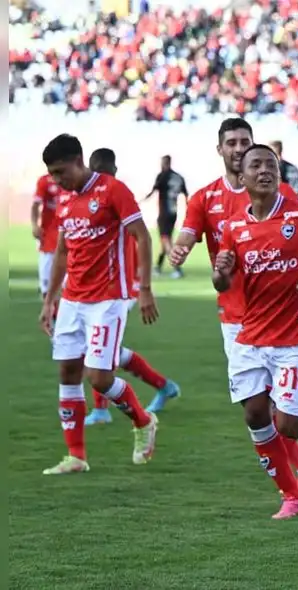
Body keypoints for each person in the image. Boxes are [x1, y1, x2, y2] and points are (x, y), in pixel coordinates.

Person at [169, 117, 298, 498]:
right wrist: (181, 247)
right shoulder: (206, 199)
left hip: (285, 318)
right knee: (258, 411)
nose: (238, 149)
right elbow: (190, 232)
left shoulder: (281, 197)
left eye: (244, 142)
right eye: (231, 142)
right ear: (220, 149)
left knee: (281, 411)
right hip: (236, 320)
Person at [212, 143, 298, 519]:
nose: (264, 171)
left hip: (294, 338)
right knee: (256, 417)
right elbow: (222, 285)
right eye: (255, 166)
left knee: (288, 425)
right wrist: (220, 273)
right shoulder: (234, 228)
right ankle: (293, 496)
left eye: (270, 165)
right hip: (249, 337)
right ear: (241, 178)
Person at [38, 134, 160, 475]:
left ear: (79, 160)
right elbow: (62, 251)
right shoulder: (65, 200)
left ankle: (143, 421)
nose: (58, 180)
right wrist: (50, 300)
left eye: (61, 172)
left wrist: (146, 289)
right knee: (67, 372)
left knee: (99, 377)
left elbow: (142, 236)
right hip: (73, 299)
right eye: (53, 175)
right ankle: (76, 456)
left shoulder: (112, 191)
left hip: (108, 299)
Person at [83, 148, 180, 424]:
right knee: (106, 351)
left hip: (121, 286)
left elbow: (141, 237)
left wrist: (142, 285)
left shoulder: (115, 195)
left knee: (99, 352)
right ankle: (164, 386)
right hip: (105, 287)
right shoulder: (97, 197)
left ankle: (102, 410)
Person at [143, 155, 188, 278]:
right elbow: (186, 195)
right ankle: (158, 267)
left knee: (166, 240)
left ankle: (177, 268)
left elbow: (154, 191)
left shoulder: (162, 176)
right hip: (173, 213)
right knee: (166, 239)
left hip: (164, 213)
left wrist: (141, 200)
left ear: (165, 163)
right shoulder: (178, 178)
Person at [31, 173, 64, 299]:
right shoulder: (44, 181)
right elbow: (35, 204)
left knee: (68, 282)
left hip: (69, 233)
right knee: (46, 281)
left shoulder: (73, 180)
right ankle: (50, 311)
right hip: (48, 235)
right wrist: (34, 225)